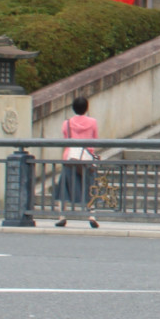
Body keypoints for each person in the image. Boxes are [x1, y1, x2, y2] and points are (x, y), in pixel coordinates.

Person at [56, 94, 99, 229]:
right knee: (90, 186)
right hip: (86, 158)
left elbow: (65, 138)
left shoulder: (67, 123)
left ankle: (62, 215)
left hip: (70, 157)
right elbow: (94, 139)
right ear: (86, 108)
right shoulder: (93, 122)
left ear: (73, 108)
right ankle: (91, 215)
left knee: (64, 187)